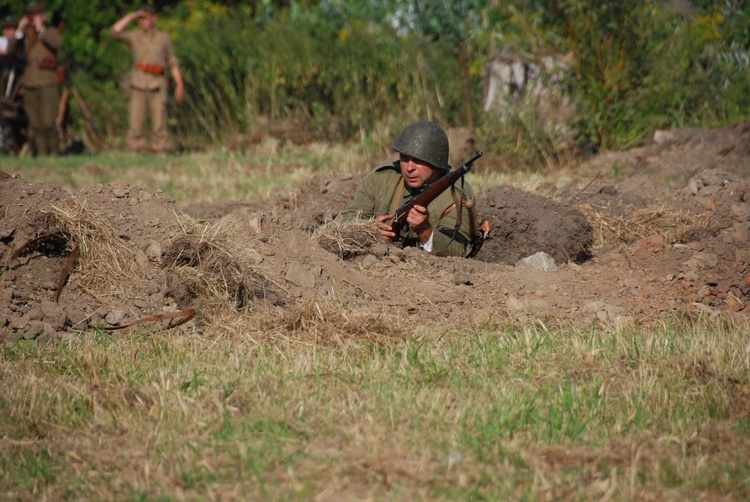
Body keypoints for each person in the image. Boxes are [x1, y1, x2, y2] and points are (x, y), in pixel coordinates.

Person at [341, 120, 476, 257]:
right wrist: (368, 230)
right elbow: (345, 219)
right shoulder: (383, 178)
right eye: (404, 158)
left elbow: (458, 251)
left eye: (418, 161)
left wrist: (425, 232)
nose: (409, 168)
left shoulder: (455, 195)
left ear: (436, 163)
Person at [110, 6, 184, 154]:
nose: (143, 22)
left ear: (154, 19)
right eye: (141, 19)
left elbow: (172, 62)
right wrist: (132, 15)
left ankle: (161, 150)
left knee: (159, 123)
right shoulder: (134, 36)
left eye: (146, 18)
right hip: (137, 84)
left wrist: (180, 85)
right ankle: (135, 150)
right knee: (135, 123)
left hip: (157, 84)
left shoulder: (163, 38)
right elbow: (114, 32)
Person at [11, 2, 62, 156]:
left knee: (48, 121)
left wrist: (41, 29)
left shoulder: (50, 31)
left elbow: (58, 43)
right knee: (35, 123)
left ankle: (54, 154)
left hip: (48, 81)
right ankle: (42, 155)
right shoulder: (25, 35)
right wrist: (19, 29)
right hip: (29, 82)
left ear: (43, 16)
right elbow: (11, 49)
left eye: (38, 16)